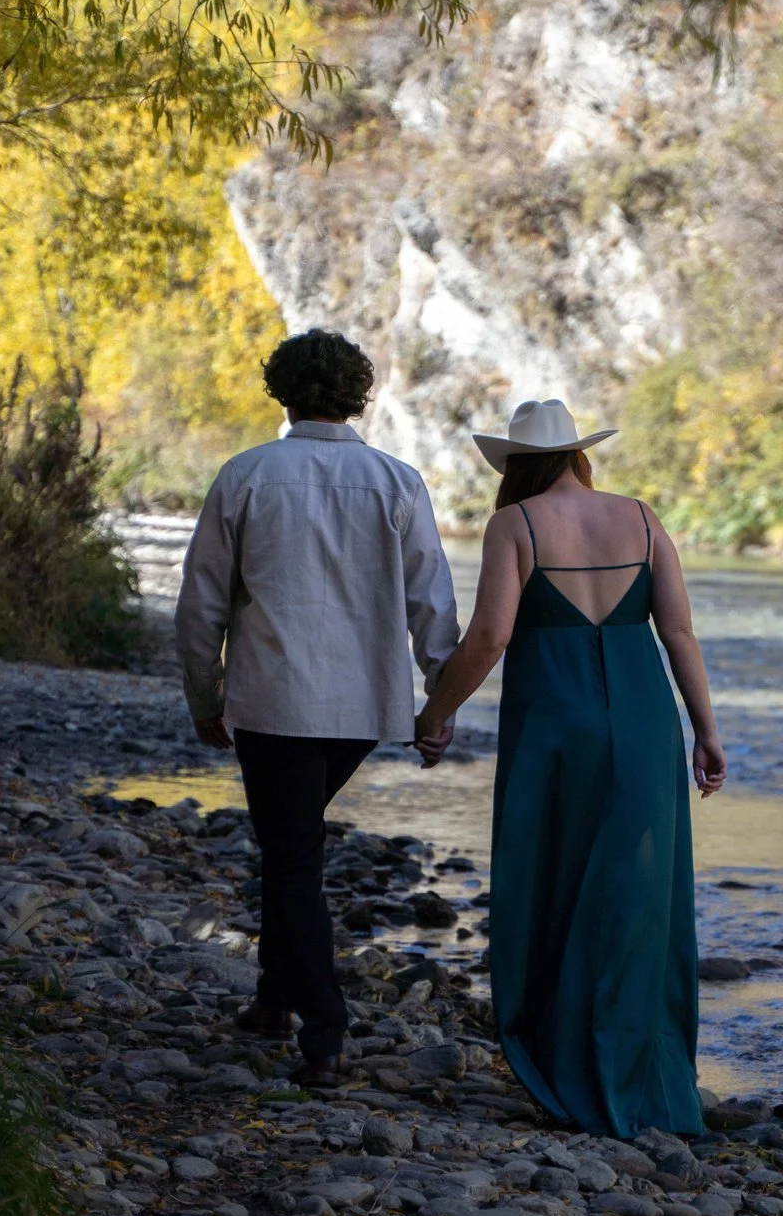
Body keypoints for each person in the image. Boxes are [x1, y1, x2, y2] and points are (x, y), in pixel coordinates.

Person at [414, 399, 727, 1138]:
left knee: (552, 882)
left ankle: (568, 1073)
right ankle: (642, 1078)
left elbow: (490, 637)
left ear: (516, 464)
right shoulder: (643, 520)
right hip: (647, 723)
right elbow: (677, 629)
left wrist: (434, 713)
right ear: (581, 455)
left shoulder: (515, 524)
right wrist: (706, 731)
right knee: (639, 896)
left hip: (556, 724)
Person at [175, 330, 460, 1086]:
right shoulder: (397, 480)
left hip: (273, 699)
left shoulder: (245, 476)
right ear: (358, 394)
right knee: (290, 845)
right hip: (364, 705)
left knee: (292, 855)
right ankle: (273, 998)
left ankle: (324, 1028)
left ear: (282, 390)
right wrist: (439, 700)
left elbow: (201, 601)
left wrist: (204, 693)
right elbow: (431, 598)